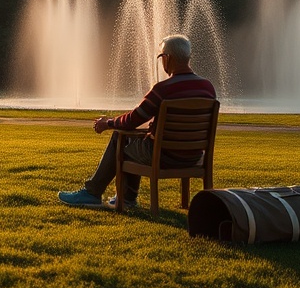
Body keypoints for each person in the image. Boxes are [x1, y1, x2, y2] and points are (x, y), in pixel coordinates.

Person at [57, 34, 216, 209]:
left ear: (167, 58)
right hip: (194, 157)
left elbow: (133, 120)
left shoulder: (162, 90)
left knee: (121, 138)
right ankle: (126, 198)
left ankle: (94, 193)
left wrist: (108, 123)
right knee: (133, 142)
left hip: (165, 157)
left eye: (161, 57)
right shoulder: (207, 87)